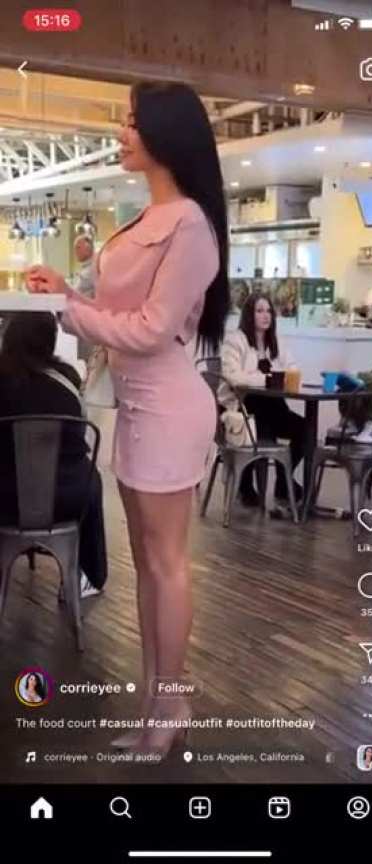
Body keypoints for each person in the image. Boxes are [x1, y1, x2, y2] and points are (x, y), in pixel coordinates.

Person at [26, 81, 230, 758]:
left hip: (169, 409)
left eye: (133, 121)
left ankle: (169, 705)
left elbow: (149, 328)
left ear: (166, 133)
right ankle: (158, 704)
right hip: (138, 408)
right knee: (147, 566)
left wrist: (69, 309)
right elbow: (117, 316)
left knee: (166, 565)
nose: (121, 131)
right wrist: (66, 293)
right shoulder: (147, 218)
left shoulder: (190, 225)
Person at [0, 312, 107, 599]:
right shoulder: (68, 380)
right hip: (66, 498)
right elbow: (80, 437)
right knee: (91, 476)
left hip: (5, 498)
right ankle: (88, 574)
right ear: (50, 341)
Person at [219, 292, 305, 506]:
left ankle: (284, 481)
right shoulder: (235, 340)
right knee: (262, 419)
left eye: (269, 311)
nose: (266, 315)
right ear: (249, 315)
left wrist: (283, 377)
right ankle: (245, 484)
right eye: (259, 311)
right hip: (240, 409)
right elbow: (234, 377)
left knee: (305, 429)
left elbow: (293, 368)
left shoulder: (276, 341)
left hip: (272, 408)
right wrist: (267, 380)